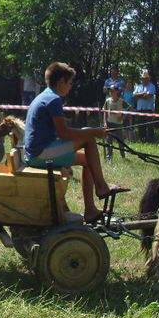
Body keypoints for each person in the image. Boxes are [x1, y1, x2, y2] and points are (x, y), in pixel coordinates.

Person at [24, 62, 127, 223]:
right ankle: (101, 187)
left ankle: (91, 210)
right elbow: (64, 132)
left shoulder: (44, 96)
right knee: (89, 138)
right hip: (41, 155)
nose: (70, 87)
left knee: (88, 160)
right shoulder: (53, 100)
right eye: (70, 83)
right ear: (61, 82)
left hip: (38, 152)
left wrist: (88, 130)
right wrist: (93, 131)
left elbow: (62, 131)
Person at [102, 84, 131, 159]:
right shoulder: (107, 101)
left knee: (120, 141)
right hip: (109, 123)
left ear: (117, 92)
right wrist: (105, 122)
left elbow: (129, 108)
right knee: (109, 140)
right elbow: (105, 111)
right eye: (110, 91)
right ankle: (109, 156)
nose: (111, 92)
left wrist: (123, 117)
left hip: (118, 124)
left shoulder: (121, 101)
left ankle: (123, 156)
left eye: (112, 91)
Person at [133, 70, 156, 143]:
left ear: (148, 79)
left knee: (149, 126)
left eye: (146, 78)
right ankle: (142, 139)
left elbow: (148, 96)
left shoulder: (151, 86)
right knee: (141, 125)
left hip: (148, 108)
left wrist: (138, 96)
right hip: (140, 108)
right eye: (143, 78)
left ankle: (150, 140)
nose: (144, 80)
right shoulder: (138, 86)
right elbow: (133, 96)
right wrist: (142, 93)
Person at [122, 79, 136, 143]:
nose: (129, 85)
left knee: (130, 126)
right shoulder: (123, 92)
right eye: (128, 83)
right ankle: (127, 138)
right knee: (125, 126)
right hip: (123, 111)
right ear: (126, 85)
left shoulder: (134, 92)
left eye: (130, 83)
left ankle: (130, 140)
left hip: (131, 111)